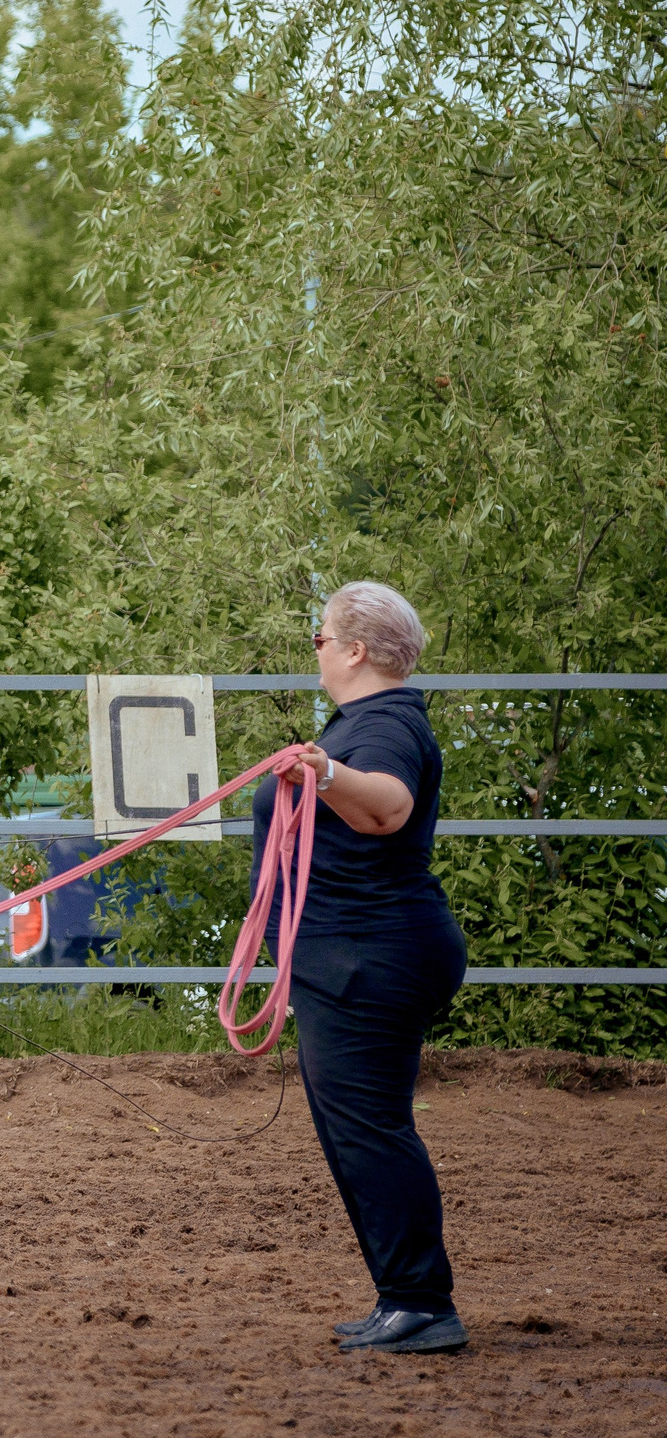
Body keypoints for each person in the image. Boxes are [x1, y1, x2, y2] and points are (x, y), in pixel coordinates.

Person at [252, 581, 469, 1355]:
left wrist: (329, 772)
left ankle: (420, 1300)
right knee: (355, 1128)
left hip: (368, 957)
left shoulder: (380, 729)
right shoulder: (366, 723)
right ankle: (402, 1296)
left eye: (321, 636)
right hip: (354, 954)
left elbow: (387, 807)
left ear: (355, 650)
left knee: (370, 1128)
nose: (314, 648)